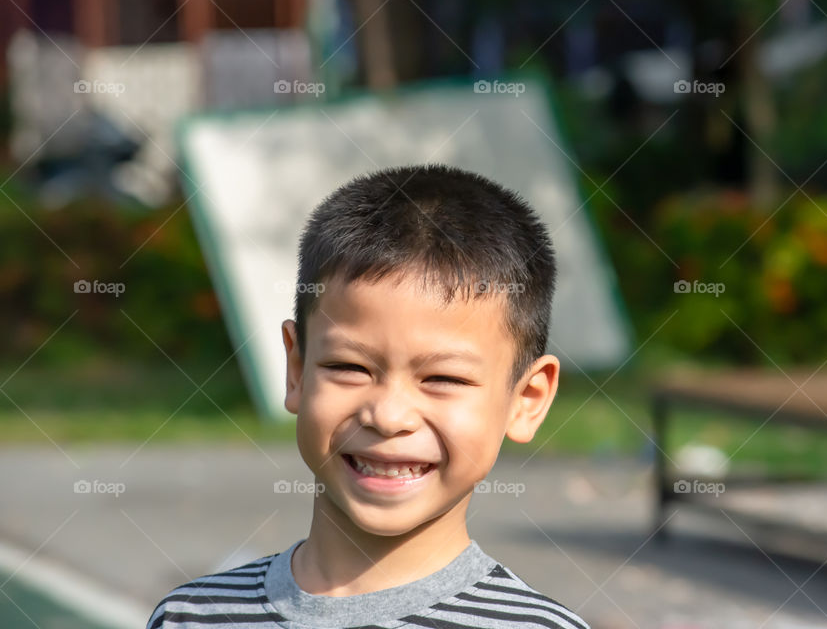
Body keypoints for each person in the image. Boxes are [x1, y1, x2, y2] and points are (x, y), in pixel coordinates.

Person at [146, 164, 589, 628]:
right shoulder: (192, 617)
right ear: (296, 371)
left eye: (443, 378)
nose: (389, 415)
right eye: (349, 367)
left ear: (527, 399)